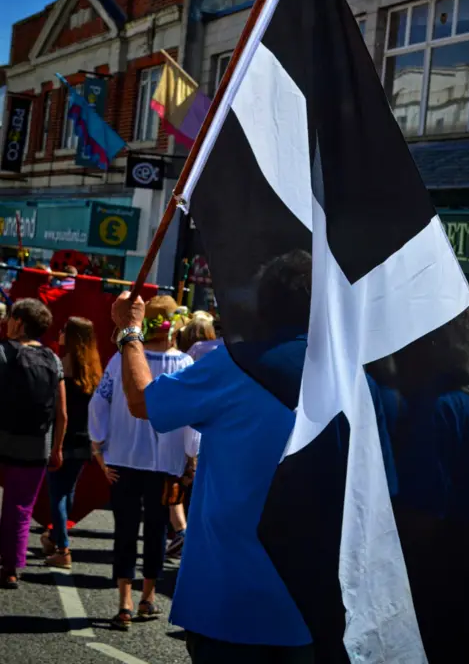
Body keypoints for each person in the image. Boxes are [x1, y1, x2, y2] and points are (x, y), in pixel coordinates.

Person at [111, 273, 316, 662]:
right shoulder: (351, 371)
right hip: (316, 600)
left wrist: (130, 332)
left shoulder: (239, 364)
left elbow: (142, 401)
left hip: (227, 595)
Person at [89, 295, 200, 631]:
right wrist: (190, 456)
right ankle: (147, 597)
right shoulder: (184, 366)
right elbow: (193, 418)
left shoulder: (120, 358)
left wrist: (98, 446)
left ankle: (124, 600)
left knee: (124, 530)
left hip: (122, 457)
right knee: (156, 531)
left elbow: (100, 401)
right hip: (164, 462)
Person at [0, 298, 67, 589]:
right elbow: (62, 413)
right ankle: (11, 569)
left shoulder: (2, 352)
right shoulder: (53, 359)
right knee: (20, 508)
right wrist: (57, 448)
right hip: (36, 445)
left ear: (19, 322)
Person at [41, 317, 103, 568]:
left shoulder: (63, 365)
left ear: (73, 336)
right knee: (68, 492)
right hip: (84, 438)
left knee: (57, 492)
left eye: (65, 330)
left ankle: (63, 548)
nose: (60, 332)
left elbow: (58, 410)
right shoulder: (94, 369)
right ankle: (55, 536)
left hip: (63, 437)